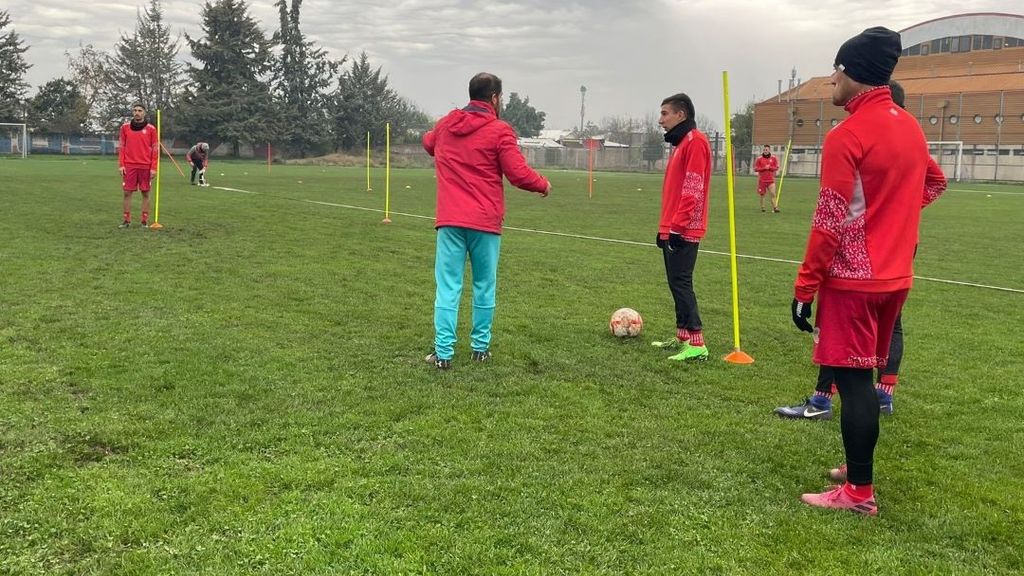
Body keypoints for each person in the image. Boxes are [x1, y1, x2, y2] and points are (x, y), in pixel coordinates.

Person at [789, 27, 930, 515]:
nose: (832, 78)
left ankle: (859, 493)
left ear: (855, 74)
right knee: (864, 378)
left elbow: (829, 218)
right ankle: (856, 467)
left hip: (854, 280)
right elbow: (935, 181)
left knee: (853, 383)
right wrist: (892, 219)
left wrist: (805, 286)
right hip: (896, 277)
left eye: (838, 68)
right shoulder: (910, 127)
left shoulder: (846, 135)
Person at [775, 79, 947, 421]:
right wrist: (898, 213)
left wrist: (887, 215)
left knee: (840, 329)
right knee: (891, 323)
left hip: (862, 258)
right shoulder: (912, 136)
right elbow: (937, 182)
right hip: (899, 253)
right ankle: (882, 394)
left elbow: (829, 218)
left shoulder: (857, 135)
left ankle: (823, 401)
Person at [422, 72, 551, 370]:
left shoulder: (446, 124)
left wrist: (444, 128)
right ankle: (480, 348)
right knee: (484, 285)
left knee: (448, 287)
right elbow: (518, 173)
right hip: (485, 222)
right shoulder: (499, 130)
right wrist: (543, 184)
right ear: (494, 98)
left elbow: (428, 142)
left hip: (450, 221)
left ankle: (443, 353)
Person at [649, 93, 712, 362]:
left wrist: (677, 227)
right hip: (672, 225)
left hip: (685, 228)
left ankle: (698, 343)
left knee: (682, 282)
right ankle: (682, 336)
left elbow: (693, 189)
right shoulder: (681, 143)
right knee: (674, 282)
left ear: (681, 115)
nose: (660, 120)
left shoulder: (696, 141)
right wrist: (665, 228)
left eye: (665, 113)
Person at [117, 102, 158, 228]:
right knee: (127, 193)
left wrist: (154, 168)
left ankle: (144, 221)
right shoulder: (124, 128)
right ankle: (126, 220)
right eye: (135, 110)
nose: (137, 112)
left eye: (140, 110)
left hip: (145, 166)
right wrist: (121, 164)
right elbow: (122, 147)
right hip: (129, 165)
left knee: (145, 193)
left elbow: (155, 149)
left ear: (144, 113)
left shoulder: (151, 129)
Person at [754, 145, 780, 212]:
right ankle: (763, 208)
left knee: (773, 194)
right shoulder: (759, 158)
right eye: (764, 150)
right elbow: (756, 169)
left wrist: (770, 167)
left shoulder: (773, 158)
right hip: (762, 180)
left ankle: (775, 208)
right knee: (762, 195)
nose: (765, 151)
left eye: (766, 150)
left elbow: (776, 168)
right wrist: (764, 168)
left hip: (771, 180)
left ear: (769, 150)